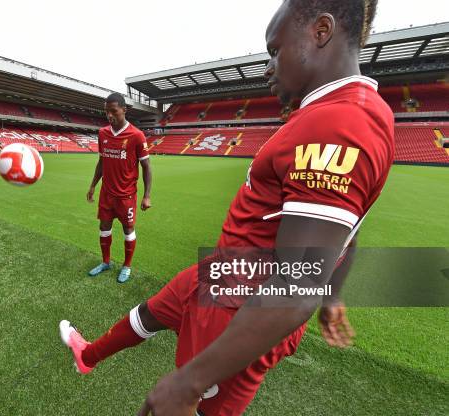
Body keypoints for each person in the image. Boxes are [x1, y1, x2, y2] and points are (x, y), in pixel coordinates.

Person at [60, 0, 394, 415]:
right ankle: (88, 355)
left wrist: (190, 381)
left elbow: (298, 283)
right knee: (155, 308)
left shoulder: (337, 126)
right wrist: (333, 293)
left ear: (321, 31)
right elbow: (350, 228)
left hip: (238, 307)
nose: (267, 68)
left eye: (275, 50)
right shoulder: (349, 114)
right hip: (227, 273)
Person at [86, 93, 152, 283]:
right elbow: (101, 162)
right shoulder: (103, 133)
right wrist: (92, 186)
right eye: (107, 112)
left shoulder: (137, 136)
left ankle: (127, 266)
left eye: (113, 111)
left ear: (124, 110)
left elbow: (146, 167)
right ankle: (105, 262)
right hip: (106, 194)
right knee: (104, 227)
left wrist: (147, 196)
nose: (109, 115)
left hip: (126, 196)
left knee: (128, 229)